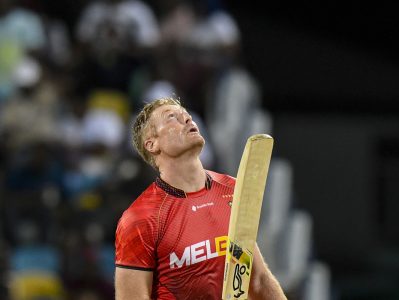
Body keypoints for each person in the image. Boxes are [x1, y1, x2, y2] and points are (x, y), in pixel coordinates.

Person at [114, 96, 286, 299]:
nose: (188, 119)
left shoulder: (231, 189)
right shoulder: (139, 218)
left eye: (186, 115)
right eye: (172, 118)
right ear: (152, 144)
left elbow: (257, 280)